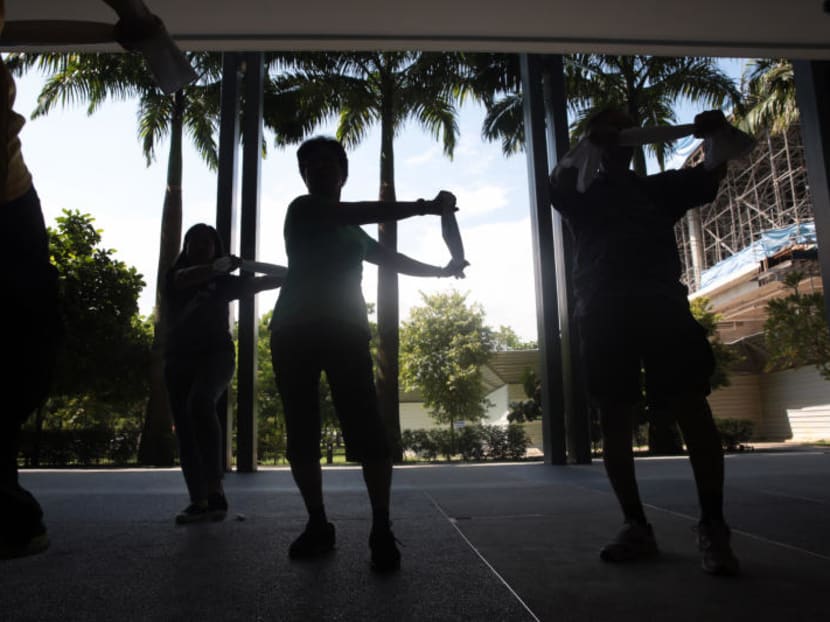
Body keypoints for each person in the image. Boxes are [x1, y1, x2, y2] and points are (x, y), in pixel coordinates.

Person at [0, 0, 168, 560]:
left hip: (11, 197)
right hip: (12, 207)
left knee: (31, 349)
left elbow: (16, 29)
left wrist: (118, 30)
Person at [548, 107, 740, 576]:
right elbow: (558, 181)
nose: (617, 135)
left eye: (623, 128)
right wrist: (590, 141)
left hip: (662, 309)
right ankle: (635, 525)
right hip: (603, 313)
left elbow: (712, 172)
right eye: (607, 128)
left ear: (634, 141)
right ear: (595, 139)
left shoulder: (657, 189)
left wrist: (715, 133)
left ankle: (713, 526)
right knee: (615, 419)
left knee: (693, 410)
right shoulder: (581, 193)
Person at [270, 136, 465, 573]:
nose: (320, 171)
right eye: (312, 166)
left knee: (368, 431)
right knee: (302, 432)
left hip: (346, 333)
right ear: (305, 176)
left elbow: (393, 259)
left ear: (343, 173)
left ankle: (380, 526)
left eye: (329, 165)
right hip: (292, 332)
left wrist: (441, 270)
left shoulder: (354, 233)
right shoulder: (303, 210)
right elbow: (358, 212)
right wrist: (423, 207)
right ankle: (318, 523)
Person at [165, 223, 283, 525]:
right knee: (186, 430)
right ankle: (199, 501)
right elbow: (184, 279)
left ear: (216, 248)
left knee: (200, 403)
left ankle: (215, 493)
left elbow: (259, 283)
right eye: (197, 242)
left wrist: (293, 274)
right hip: (178, 360)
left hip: (217, 356)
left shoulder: (224, 282)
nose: (203, 247)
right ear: (186, 247)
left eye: (209, 242)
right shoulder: (174, 276)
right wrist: (217, 268)